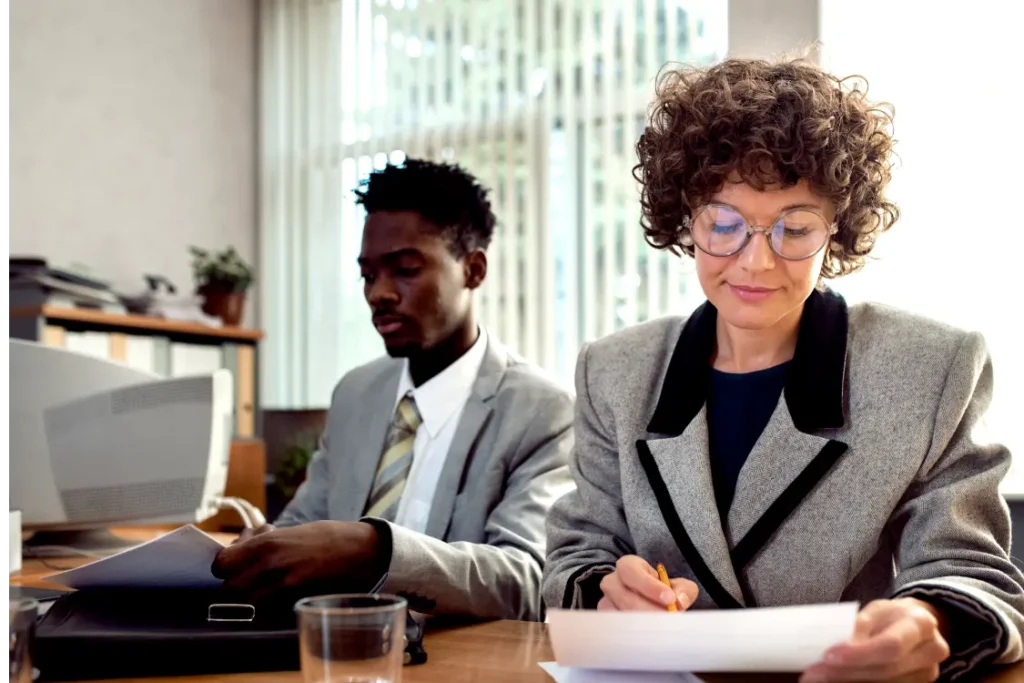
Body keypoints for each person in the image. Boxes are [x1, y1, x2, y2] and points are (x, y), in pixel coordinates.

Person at [542, 59, 1024, 682]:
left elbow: (972, 572)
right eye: (724, 224)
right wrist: (608, 589)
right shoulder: (614, 372)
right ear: (685, 219)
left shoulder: (932, 367)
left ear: (837, 230)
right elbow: (576, 553)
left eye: (795, 228)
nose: (757, 263)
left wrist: (927, 623)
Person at [214, 159, 574, 622]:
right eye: (367, 275)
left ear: (474, 270)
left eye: (404, 269)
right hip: (332, 651)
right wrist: (264, 548)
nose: (378, 293)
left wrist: (378, 552)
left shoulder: (542, 409)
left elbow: (527, 582)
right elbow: (299, 527)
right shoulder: (355, 394)